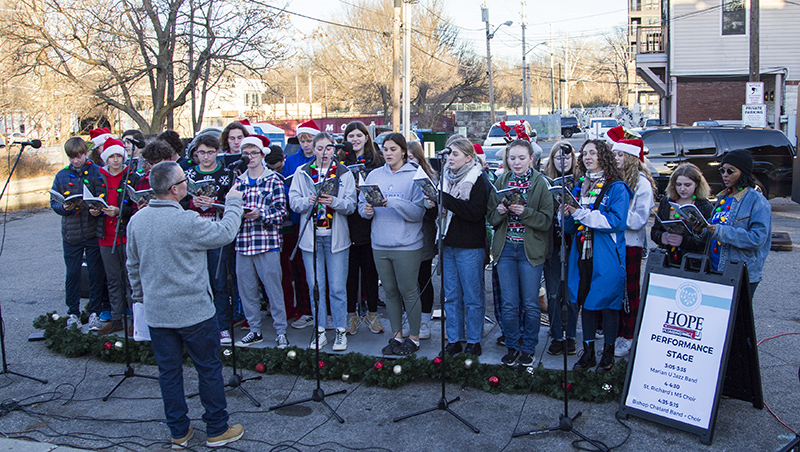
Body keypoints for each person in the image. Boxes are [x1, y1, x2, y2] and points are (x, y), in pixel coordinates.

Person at [126, 161, 245, 449]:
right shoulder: (187, 221)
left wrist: (142, 298)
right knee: (208, 369)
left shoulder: (137, 221)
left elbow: (133, 266)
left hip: (157, 313)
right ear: (176, 188)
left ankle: (179, 431)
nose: (187, 184)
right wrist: (233, 203)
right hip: (194, 313)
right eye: (184, 180)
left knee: (168, 373)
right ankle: (217, 429)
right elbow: (225, 233)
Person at [561, 139, 631, 374]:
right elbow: (573, 227)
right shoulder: (581, 185)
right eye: (585, 153)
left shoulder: (617, 187)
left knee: (609, 304)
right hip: (581, 255)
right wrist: (567, 215)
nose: (588, 157)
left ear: (604, 156)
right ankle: (588, 351)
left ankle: (607, 353)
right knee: (586, 304)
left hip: (607, 255)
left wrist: (580, 213)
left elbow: (616, 222)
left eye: (593, 153)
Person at [488, 140, 554, 365]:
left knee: (530, 302)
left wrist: (525, 212)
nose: (516, 162)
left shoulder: (541, 184)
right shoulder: (501, 181)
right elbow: (491, 219)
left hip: (530, 251)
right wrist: (499, 211)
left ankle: (528, 347)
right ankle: (512, 345)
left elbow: (546, 221)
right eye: (512, 158)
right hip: (505, 249)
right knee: (509, 303)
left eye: (521, 158)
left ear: (531, 160)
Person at [289, 132, 357, 351]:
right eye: (320, 148)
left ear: (334, 150)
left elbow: (351, 205)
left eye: (329, 148)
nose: (324, 152)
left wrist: (334, 201)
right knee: (315, 286)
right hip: (311, 239)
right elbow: (293, 201)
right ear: (313, 149)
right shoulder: (303, 172)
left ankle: (339, 330)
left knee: (337, 287)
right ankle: (319, 330)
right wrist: (307, 201)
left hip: (336, 239)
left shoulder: (344, 173)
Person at [359, 132, 425, 356]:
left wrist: (394, 202)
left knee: (408, 291)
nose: (388, 153)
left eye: (393, 149)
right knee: (389, 292)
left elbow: (418, 213)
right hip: (380, 242)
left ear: (404, 151)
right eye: (385, 149)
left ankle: (413, 337)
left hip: (406, 244)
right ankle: (396, 335)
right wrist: (366, 210)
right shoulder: (374, 175)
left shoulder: (416, 174)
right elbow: (363, 207)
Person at [231, 135, 289, 349]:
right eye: (246, 154)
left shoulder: (274, 179)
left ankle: (281, 330)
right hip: (243, 244)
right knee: (247, 290)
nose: (250, 157)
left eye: (254, 153)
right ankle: (255, 330)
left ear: (262, 155)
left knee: (273, 290)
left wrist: (260, 213)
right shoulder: (238, 181)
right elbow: (231, 208)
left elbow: (282, 213)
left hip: (267, 243)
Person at [439, 138, 490, 357]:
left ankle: (474, 340)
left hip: (469, 246)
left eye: (455, 154)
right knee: (451, 296)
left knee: (472, 296)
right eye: (448, 153)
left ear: (468, 158)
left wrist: (445, 200)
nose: (450, 158)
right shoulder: (444, 178)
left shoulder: (478, 179)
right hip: (448, 243)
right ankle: (454, 339)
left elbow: (474, 213)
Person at [50, 137, 107, 330]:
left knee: (95, 272)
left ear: (85, 153)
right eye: (72, 157)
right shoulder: (61, 176)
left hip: (92, 231)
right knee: (73, 273)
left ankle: (94, 312)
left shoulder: (97, 171)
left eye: (80, 156)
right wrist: (64, 207)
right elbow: (54, 202)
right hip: (71, 233)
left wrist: (97, 208)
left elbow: (103, 195)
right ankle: (73, 312)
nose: (76, 160)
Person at [185, 134, 235, 344]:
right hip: (193, 234)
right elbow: (179, 201)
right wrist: (192, 202)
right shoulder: (187, 174)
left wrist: (214, 202)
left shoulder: (226, 174)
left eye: (210, 152)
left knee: (219, 281)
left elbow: (232, 202)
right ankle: (198, 324)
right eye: (202, 153)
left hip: (216, 231)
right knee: (195, 281)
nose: (206, 157)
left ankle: (223, 325)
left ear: (217, 152)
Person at [703, 150, 772, 298]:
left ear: (744, 172)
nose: (725, 174)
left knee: (737, 318)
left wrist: (721, 232)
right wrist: (701, 229)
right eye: (722, 170)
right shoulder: (723, 197)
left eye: (730, 171)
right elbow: (713, 229)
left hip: (740, 272)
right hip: (715, 267)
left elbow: (757, 238)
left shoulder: (757, 201)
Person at [340, 121, 386, 335]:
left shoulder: (377, 161)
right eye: (351, 136)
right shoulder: (339, 160)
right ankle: (351, 315)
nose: (355, 139)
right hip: (346, 223)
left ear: (367, 137)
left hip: (370, 222)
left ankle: (372, 313)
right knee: (349, 272)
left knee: (370, 270)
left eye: (359, 135)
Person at [612, 137, 655, 358]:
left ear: (630, 158)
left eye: (620, 155)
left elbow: (639, 219)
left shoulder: (641, 183)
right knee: (615, 290)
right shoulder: (615, 179)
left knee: (630, 291)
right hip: (612, 242)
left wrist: (615, 213)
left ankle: (628, 335)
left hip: (631, 244)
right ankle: (616, 330)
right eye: (614, 154)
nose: (616, 158)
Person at [94, 139, 140, 336]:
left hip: (126, 235)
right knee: (113, 280)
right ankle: (117, 319)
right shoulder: (98, 178)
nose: (115, 160)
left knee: (132, 280)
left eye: (118, 156)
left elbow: (137, 206)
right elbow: (94, 199)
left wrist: (121, 211)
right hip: (106, 235)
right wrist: (95, 210)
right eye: (111, 156)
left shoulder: (131, 177)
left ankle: (136, 319)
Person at [282, 120, 320, 329]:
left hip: (322, 219)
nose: (306, 145)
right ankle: (305, 310)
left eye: (309, 140)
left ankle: (325, 311)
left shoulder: (323, 159)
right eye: (302, 141)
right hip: (299, 218)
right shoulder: (292, 160)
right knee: (301, 268)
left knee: (321, 269)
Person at [543, 141, 579, 356]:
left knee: (571, 293)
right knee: (554, 292)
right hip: (552, 244)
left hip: (574, 244)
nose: (562, 161)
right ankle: (557, 335)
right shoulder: (545, 181)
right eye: (558, 157)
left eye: (567, 157)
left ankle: (572, 336)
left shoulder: (582, 182)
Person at [651, 163, 712, 266]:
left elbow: (707, 241)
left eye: (687, 185)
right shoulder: (666, 202)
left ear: (696, 184)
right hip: (667, 259)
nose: (682, 189)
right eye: (678, 184)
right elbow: (655, 231)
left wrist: (684, 241)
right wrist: (662, 237)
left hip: (692, 262)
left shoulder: (705, 206)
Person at [406, 140, 435, 339]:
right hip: (404, 234)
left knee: (423, 276)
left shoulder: (429, 176)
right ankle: (410, 318)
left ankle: (425, 320)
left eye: (411, 157)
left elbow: (433, 213)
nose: (408, 161)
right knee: (406, 281)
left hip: (423, 232)